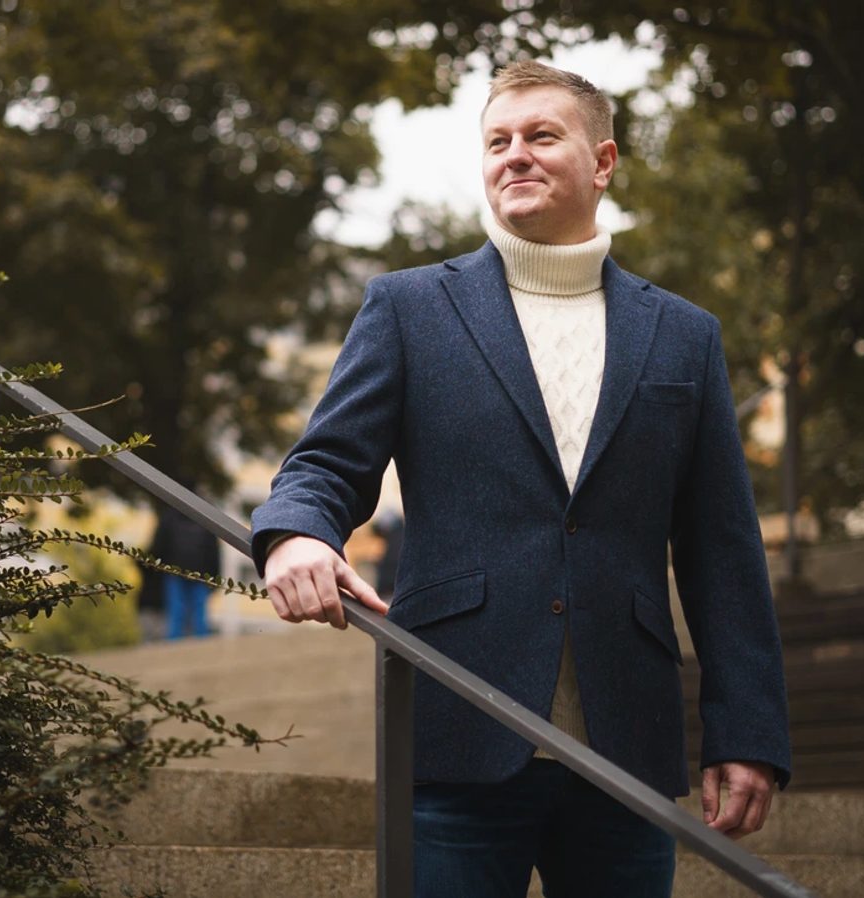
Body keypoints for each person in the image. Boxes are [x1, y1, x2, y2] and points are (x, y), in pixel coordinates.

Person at [249, 60, 790, 897]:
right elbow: (325, 463)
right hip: (457, 722)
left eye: (542, 136)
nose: (515, 155)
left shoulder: (685, 335)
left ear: (603, 162)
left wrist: (746, 728)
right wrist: (293, 533)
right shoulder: (408, 308)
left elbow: (723, 548)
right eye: (498, 141)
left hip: (627, 741)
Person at [147, 510, 220, 640]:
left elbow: (159, 547)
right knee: (192, 616)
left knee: (180, 615)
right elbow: (213, 552)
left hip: (183, 574)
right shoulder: (204, 518)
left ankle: (177, 646)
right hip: (192, 575)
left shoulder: (170, 518)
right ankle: (197, 646)